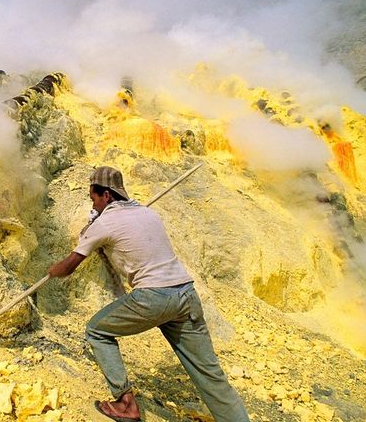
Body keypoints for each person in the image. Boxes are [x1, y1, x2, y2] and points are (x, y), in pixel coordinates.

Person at [47, 166, 249, 422]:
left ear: (106, 195)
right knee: (210, 374)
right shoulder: (148, 213)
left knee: (97, 330)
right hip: (186, 294)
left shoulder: (104, 223)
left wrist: (51, 271)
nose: (94, 204)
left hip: (154, 297)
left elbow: (69, 265)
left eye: (94, 198)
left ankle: (125, 404)